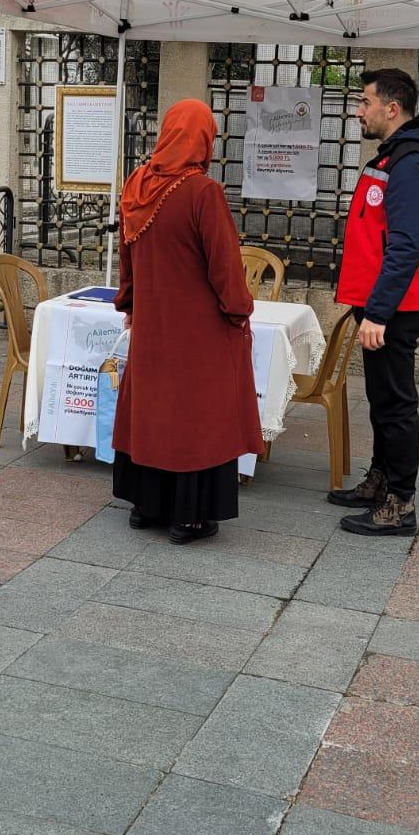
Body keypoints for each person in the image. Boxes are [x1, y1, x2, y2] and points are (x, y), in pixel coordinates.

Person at [112, 98, 263, 545]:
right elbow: (225, 269)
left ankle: (146, 504)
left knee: (153, 410)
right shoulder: (202, 192)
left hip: (153, 324)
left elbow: (127, 259)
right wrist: (240, 312)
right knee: (197, 417)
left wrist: (132, 306)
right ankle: (189, 516)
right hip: (199, 330)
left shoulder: (137, 184)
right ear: (202, 138)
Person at [330, 67, 419, 536]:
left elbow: (406, 244)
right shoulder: (396, 156)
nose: (360, 111)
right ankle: (381, 479)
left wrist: (378, 311)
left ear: (392, 108)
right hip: (384, 302)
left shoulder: (411, 162)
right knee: (381, 398)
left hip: (395, 307)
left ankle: (399, 503)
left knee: (395, 402)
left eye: (365, 102)